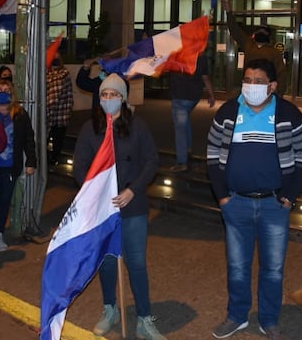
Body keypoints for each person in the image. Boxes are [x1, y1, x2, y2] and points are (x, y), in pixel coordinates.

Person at [206, 58, 302, 340]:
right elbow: (213, 157)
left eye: (258, 81)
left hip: (275, 205)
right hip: (236, 203)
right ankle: (237, 316)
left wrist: (289, 197)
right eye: (248, 80)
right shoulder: (227, 112)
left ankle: (269, 320)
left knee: (274, 270)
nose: (251, 86)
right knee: (237, 267)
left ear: (273, 86)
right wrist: (223, 198)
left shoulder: (289, 114)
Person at [72, 73, 167, 340]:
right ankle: (109, 309)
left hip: (132, 205)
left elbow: (151, 161)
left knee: (136, 263)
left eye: (114, 95)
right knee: (107, 262)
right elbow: (80, 166)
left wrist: (132, 190)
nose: (109, 99)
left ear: (123, 99)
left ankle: (145, 318)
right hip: (102, 208)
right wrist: (95, 192)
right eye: (104, 95)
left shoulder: (138, 126)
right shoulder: (90, 128)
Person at [0, 79, 37, 252]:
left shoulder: (20, 114)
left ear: (12, 94)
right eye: (0, 89)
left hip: (10, 166)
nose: (3, 92)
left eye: (7, 90)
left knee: (4, 201)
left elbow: (29, 139)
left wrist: (31, 161)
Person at [222, 0, 287, 95]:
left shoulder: (274, 52)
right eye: (259, 31)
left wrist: (279, 92)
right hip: (249, 85)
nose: (261, 33)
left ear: (268, 36)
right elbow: (235, 30)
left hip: (266, 87)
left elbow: (281, 73)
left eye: (264, 32)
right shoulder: (248, 44)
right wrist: (229, 12)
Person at [166, 52, 215, 172]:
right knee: (185, 119)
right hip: (194, 97)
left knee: (180, 128)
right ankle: (188, 148)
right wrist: (212, 95)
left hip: (179, 96)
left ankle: (182, 161)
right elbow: (205, 77)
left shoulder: (174, 54)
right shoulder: (201, 56)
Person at [46, 55, 74, 165]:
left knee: (58, 139)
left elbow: (55, 94)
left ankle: (53, 159)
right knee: (46, 138)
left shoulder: (64, 73)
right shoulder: (45, 73)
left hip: (61, 112)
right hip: (49, 113)